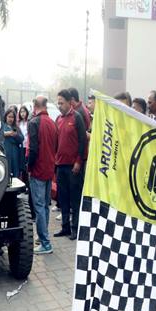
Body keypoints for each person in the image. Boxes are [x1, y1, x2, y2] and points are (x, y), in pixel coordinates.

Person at [27, 96, 58, 255]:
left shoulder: (34, 123)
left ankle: (45, 243)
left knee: (39, 207)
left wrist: (29, 166)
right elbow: (56, 146)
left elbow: (33, 149)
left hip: (38, 170)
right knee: (44, 206)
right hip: (49, 169)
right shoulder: (52, 123)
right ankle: (42, 236)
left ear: (34, 106)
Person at [55, 89, 87, 240]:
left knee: (75, 199)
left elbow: (82, 141)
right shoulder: (58, 119)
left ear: (69, 102)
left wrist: (78, 162)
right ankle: (65, 227)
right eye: (58, 103)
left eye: (61, 103)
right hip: (60, 165)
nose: (59, 106)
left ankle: (75, 228)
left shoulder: (77, 117)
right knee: (63, 198)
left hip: (73, 167)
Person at [1, 108, 24, 178]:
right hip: (6, 152)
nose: (11, 119)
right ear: (6, 117)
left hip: (15, 154)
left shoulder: (16, 127)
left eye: (12, 117)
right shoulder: (2, 126)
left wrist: (15, 135)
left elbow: (21, 138)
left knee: (15, 172)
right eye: (9, 117)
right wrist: (6, 134)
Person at [17, 106, 30, 180]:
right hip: (20, 146)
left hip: (27, 146)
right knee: (21, 164)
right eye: (21, 112)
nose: (22, 113)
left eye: (24, 111)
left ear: (27, 113)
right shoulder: (18, 123)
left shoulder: (29, 122)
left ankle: (26, 181)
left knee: (26, 164)